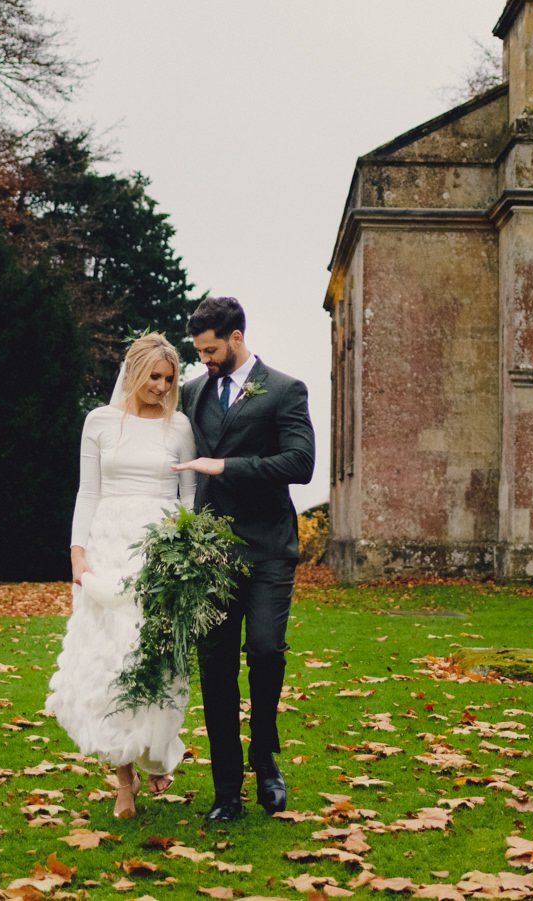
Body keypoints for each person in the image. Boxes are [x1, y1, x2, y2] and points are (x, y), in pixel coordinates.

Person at [171, 296, 315, 823]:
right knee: (214, 666)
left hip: (269, 546)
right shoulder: (190, 393)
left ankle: (265, 755)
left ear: (236, 338)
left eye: (211, 350)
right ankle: (225, 789)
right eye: (199, 352)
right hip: (211, 549)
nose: (205, 360)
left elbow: (300, 462)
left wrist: (226, 465)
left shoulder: (284, 389)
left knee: (266, 649)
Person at [48, 332, 196, 819]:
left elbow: (189, 497)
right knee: (113, 658)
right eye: (153, 376)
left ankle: (155, 746)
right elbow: (86, 492)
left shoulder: (179, 427)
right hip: (109, 547)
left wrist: (185, 552)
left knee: (152, 654)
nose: (161, 386)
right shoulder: (100, 422)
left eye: (169, 379)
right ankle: (124, 781)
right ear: (133, 372)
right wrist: (77, 552)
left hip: (158, 550)